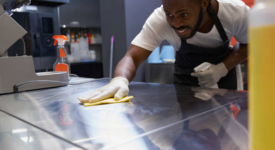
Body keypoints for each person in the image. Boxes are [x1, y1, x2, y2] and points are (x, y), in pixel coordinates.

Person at [79, 0, 249, 103]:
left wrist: (222, 68)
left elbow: (251, 44)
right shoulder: (160, 19)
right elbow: (132, 57)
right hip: (185, 81)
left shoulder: (235, 12)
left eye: (183, 14)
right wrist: (119, 80)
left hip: (224, 80)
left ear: (204, 3)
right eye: (169, 14)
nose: (175, 23)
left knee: (225, 133)